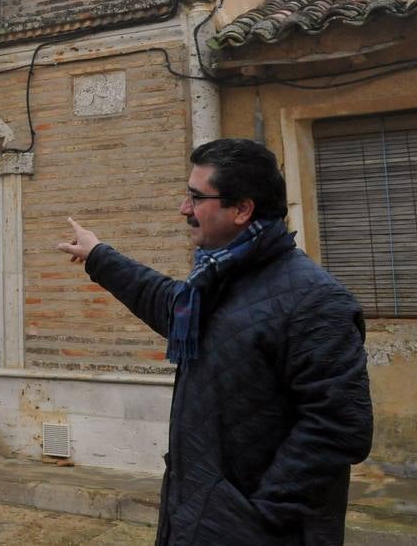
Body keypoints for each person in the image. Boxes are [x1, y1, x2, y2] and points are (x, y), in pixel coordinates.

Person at [57, 138, 372, 546]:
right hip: (201, 518)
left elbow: (340, 427)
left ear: (242, 209)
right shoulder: (218, 282)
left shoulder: (316, 302)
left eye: (195, 198)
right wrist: (98, 254)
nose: (184, 209)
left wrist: (255, 516)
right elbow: (167, 303)